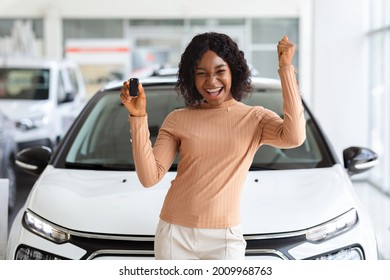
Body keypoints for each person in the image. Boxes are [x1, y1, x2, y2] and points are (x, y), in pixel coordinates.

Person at [120, 32, 306, 260]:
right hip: (174, 234)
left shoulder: (255, 119)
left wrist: (286, 69)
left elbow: (294, 137)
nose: (211, 82)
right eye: (201, 74)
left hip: (225, 239)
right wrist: (138, 117)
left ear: (233, 72)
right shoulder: (178, 118)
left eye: (220, 71)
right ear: (192, 77)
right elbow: (149, 177)